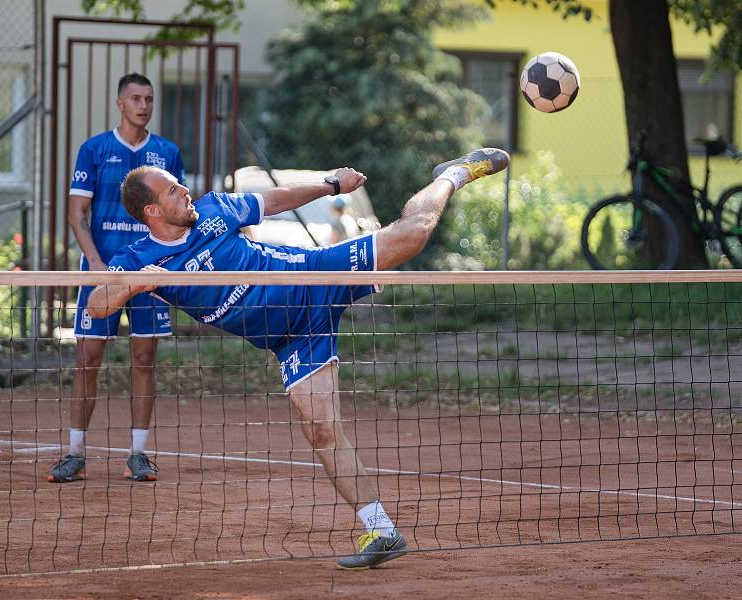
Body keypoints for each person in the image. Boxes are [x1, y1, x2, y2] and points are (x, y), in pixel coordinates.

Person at [87, 147, 510, 569]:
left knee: (412, 235)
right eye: (173, 191)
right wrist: (135, 283)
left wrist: (329, 184)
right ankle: (382, 531)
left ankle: (452, 174)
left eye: (179, 184)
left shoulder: (216, 209)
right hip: (290, 340)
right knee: (322, 431)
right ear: (151, 211)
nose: (184, 191)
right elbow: (97, 306)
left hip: (313, 278)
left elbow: (274, 200)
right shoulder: (137, 258)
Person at [48, 73, 185, 484]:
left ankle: (138, 454)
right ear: (119, 104)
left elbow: (178, 215)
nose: (143, 105)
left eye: (149, 99)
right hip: (104, 271)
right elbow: (77, 213)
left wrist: (167, 263)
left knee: (144, 360)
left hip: (150, 274)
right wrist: (93, 261)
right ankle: (75, 452)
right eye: (136, 99)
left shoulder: (168, 153)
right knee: (87, 360)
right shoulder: (94, 149)